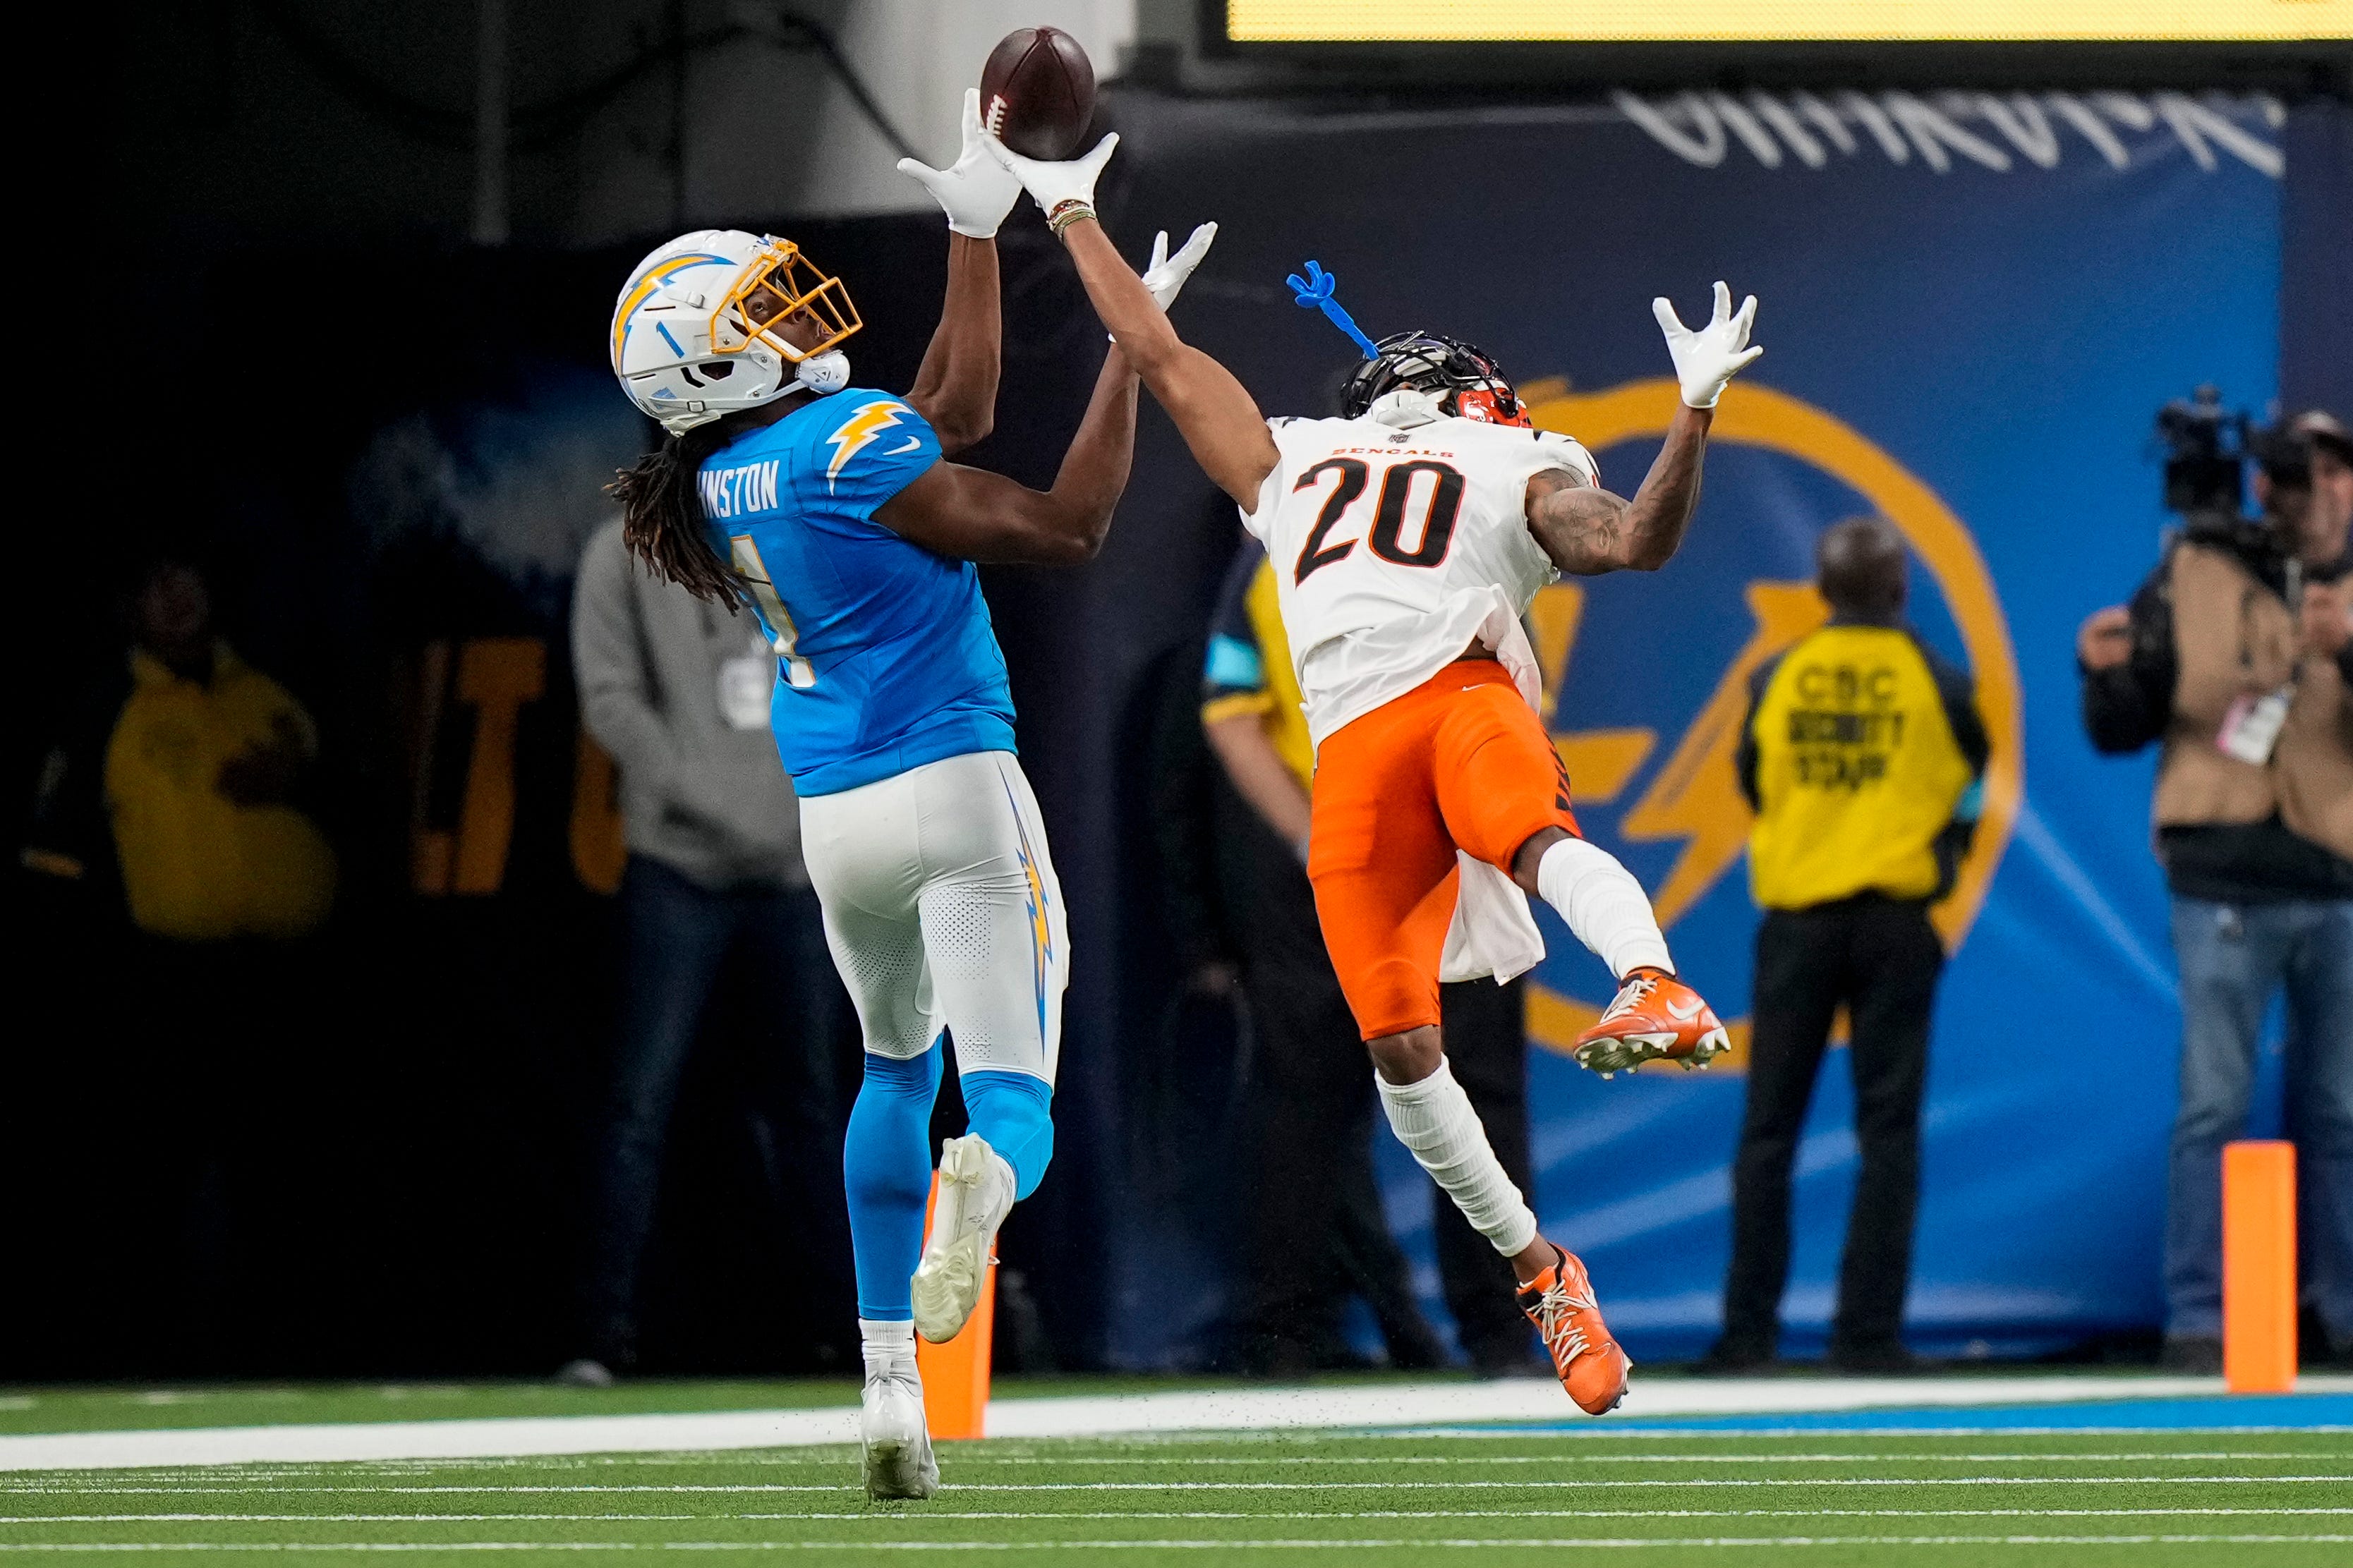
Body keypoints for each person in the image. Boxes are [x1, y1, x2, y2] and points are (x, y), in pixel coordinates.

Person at [988, 128, 1760, 1414]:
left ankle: (1657, 982)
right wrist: (1691, 414)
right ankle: (1544, 1270)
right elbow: (1637, 540)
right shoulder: (1508, 455)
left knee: (1513, 848)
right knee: (1403, 1049)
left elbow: (1166, 360)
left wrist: (1074, 214)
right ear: (1474, 396)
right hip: (1370, 751)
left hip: (1432, 708)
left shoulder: (1296, 454)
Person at [605, 90, 1215, 1498]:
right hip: (953, 788)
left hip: (839, 824)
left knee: (889, 1067)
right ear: (722, 363)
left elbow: (928, 420)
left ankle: (889, 1391)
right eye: (766, 310)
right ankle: (982, 1189)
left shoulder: (717, 481)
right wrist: (1132, 353)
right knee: (1010, 1107)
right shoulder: (835, 453)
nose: (800, 316)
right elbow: (1063, 521)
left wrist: (964, 231)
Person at [1202, 537, 1541, 1376]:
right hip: (1441, 853)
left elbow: (1230, 714)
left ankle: (1283, 1332)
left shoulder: (1277, 551)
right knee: (1451, 1097)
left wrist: (1318, 839)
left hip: (1336, 854)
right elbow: (1517, 713)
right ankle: (1496, 1333)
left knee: (1303, 1106)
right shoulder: (1468, 529)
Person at [2078, 409, 2353, 1373]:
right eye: (2285, 473)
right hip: (2220, 877)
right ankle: (2199, 1317)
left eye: (2324, 472)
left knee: (2339, 1111)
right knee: (2211, 1104)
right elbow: (2121, 724)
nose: (2303, 490)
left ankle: (2341, 1316)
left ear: (2346, 486)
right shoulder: (2190, 569)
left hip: (2335, 877)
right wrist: (2099, 671)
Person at [563, 516, 853, 1386]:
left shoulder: (802, 537)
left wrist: (805, 804)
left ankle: (852, 1339)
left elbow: (847, 675)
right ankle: (597, 1338)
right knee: (636, 1111)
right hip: (677, 868)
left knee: (813, 1111)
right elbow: (608, 697)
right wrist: (701, 790)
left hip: (792, 875)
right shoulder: (619, 548)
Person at [1703, 517, 1988, 1375]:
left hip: (1797, 922)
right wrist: (1937, 854)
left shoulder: (1775, 676)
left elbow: (1752, 779)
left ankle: (1746, 1337)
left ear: (1821, 593)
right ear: (1901, 589)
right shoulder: (1937, 680)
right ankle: (1865, 1337)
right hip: (1896, 923)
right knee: (1888, 1131)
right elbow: (1970, 786)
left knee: (1767, 1133)